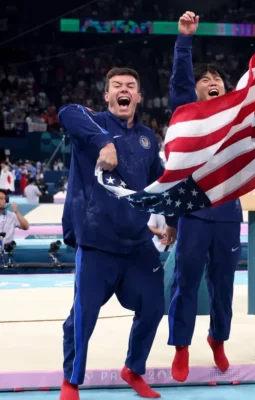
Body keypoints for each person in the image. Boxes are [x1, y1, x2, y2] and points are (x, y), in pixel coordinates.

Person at [58, 67, 173, 400]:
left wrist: (173, 218)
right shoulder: (90, 124)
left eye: (131, 87)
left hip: (137, 242)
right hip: (96, 241)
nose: (124, 90)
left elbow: (159, 185)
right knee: (84, 315)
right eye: (117, 86)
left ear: (139, 97)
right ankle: (71, 381)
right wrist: (104, 142)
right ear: (106, 95)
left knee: (154, 306)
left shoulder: (148, 138)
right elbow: (67, 112)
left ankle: (134, 369)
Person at [164, 11, 242, 382]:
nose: (212, 82)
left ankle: (218, 338)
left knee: (223, 283)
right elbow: (180, 81)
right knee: (187, 281)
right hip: (193, 211)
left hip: (228, 212)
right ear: (196, 91)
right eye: (205, 80)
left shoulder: (238, 118)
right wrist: (184, 41)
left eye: (217, 80)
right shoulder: (188, 113)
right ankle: (181, 347)